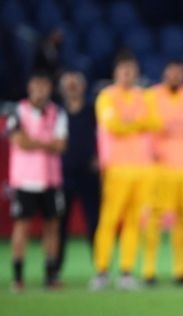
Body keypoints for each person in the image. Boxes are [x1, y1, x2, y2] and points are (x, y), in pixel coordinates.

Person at [91, 51, 155, 291]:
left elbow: (155, 121)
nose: (128, 75)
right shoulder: (106, 96)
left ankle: (127, 272)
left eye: (131, 70)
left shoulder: (145, 96)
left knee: (134, 222)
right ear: (115, 73)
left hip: (143, 167)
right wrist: (137, 122)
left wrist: (129, 122)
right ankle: (101, 271)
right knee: (109, 220)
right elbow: (112, 125)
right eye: (124, 71)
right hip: (116, 168)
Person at [7, 70, 67, 292]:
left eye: (45, 87)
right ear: (30, 88)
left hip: (51, 179)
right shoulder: (18, 111)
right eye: (37, 86)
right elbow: (20, 141)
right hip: (25, 180)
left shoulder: (57, 112)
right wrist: (47, 143)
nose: (41, 91)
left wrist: (35, 141)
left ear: (50, 89)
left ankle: (50, 275)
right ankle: (18, 277)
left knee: (52, 227)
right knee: (22, 227)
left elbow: (61, 145)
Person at [142, 59, 183, 286]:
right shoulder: (151, 96)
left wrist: (168, 126)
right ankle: (148, 271)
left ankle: (181, 270)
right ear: (165, 73)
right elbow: (147, 128)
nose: (175, 76)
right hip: (159, 166)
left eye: (179, 73)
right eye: (171, 72)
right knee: (155, 218)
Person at [56, 71, 99, 277]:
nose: (72, 88)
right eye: (68, 84)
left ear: (83, 87)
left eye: (76, 84)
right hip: (63, 175)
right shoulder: (56, 113)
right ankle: (53, 271)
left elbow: (104, 137)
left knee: (95, 224)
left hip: (89, 175)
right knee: (59, 225)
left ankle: (101, 269)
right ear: (62, 89)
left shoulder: (93, 111)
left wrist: (99, 157)